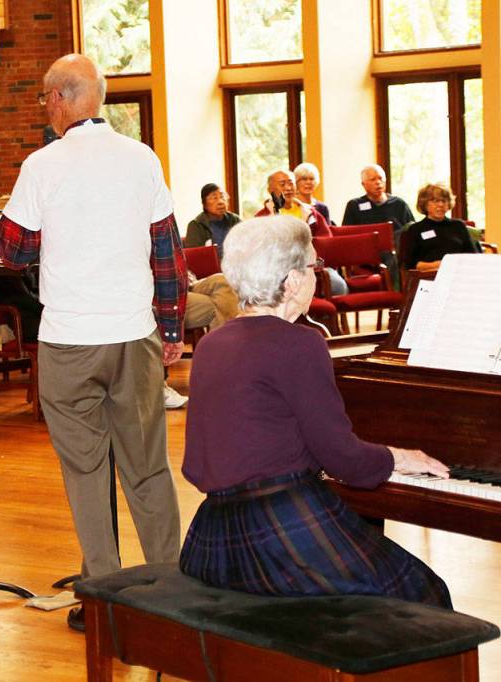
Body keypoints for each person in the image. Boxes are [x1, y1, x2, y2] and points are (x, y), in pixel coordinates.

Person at [0, 54, 185, 631]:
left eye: (45, 99)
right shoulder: (142, 157)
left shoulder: (41, 164)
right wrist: (171, 329)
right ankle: (171, 589)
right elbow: (167, 249)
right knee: (147, 467)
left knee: (86, 472)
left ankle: (103, 597)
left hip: (70, 341)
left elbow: (14, 250)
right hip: (134, 334)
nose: (44, 108)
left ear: (59, 98)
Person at [179, 215, 452, 608]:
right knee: (424, 592)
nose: (317, 274)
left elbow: (201, 461)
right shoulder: (299, 343)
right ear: (292, 281)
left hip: (212, 540)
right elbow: (343, 458)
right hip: (279, 535)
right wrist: (398, 457)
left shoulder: (211, 344)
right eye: (314, 265)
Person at [258, 170, 346, 296]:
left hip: (312, 267)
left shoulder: (311, 213)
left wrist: (314, 263)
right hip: (280, 271)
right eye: (282, 184)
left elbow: (325, 242)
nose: (288, 188)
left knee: (339, 287)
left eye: (291, 183)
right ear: (270, 190)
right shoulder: (263, 218)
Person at [341, 165, 414, 288]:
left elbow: (411, 230)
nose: (378, 182)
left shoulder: (399, 204)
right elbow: (346, 236)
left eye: (380, 178)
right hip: (368, 253)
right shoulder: (355, 205)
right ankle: (395, 292)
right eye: (373, 179)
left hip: (397, 251)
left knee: (407, 230)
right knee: (391, 254)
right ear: (363, 184)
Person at [404, 183, 479, 272]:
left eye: (444, 201)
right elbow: (411, 264)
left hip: (459, 274)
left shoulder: (458, 226)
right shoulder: (416, 229)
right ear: (425, 203)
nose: (440, 204)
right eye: (435, 201)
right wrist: (440, 265)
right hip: (429, 276)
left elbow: (473, 256)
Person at [184, 183, 241, 254]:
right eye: (214, 198)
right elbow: (193, 255)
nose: (220, 202)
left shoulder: (235, 220)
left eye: (222, 196)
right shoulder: (196, 226)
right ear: (204, 204)